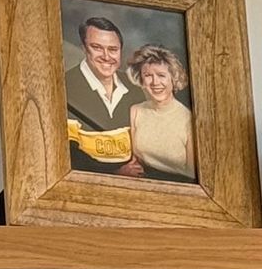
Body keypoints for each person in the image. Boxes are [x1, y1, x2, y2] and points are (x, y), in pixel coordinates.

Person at [65, 14, 143, 175]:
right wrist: (116, 174)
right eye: (97, 48)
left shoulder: (134, 88)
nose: (106, 57)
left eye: (113, 49)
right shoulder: (65, 87)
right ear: (84, 48)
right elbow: (66, 153)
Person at [126, 43, 198, 180]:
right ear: (141, 80)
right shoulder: (135, 111)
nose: (155, 82)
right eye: (148, 75)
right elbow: (133, 159)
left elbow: (192, 175)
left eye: (161, 75)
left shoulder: (189, 119)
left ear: (173, 78)